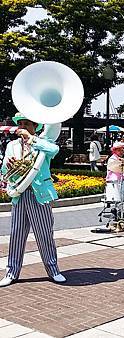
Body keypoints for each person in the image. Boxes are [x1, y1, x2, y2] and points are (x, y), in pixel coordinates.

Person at [0, 112, 66, 287]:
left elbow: (54, 150)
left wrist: (31, 139)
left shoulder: (43, 143)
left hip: (40, 195)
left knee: (44, 234)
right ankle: (11, 272)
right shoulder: (12, 145)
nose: (23, 127)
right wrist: (9, 166)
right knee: (16, 235)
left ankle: (53, 270)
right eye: (20, 124)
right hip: (20, 194)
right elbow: (3, 171)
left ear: (35, 126)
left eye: (27, 124)